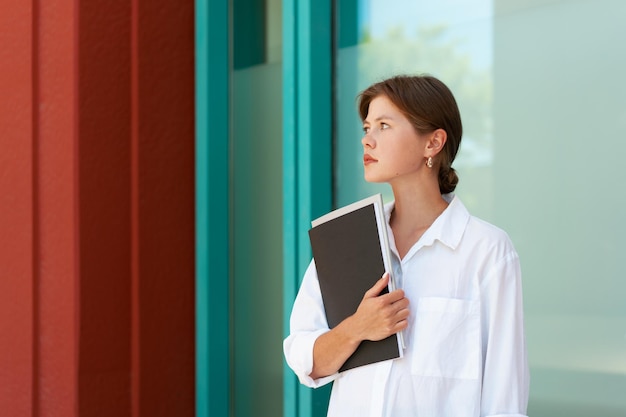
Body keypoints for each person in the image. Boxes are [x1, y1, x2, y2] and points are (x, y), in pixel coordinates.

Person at [283, 75, 529, 417]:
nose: (368, 140)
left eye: (384, 125)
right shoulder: (345, 241)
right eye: (367, 127)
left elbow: (504, 399)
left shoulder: (486, 251)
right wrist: (357, 328)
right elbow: (305, 359)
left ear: (433, 143)